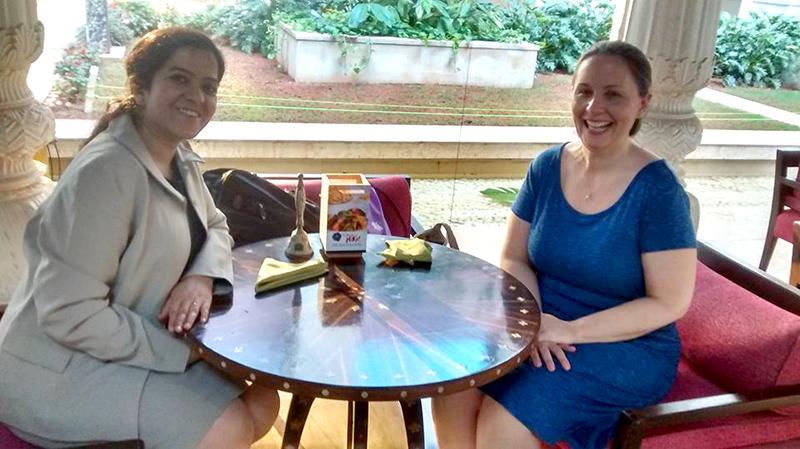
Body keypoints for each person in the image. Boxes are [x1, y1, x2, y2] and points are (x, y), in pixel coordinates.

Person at [0, 27, 278, 449]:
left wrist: (199, 278)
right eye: (179, 78)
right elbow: (70, 314)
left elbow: (217, 226)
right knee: (229, 429)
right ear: (140, 86)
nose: (196, 96)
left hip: (124, 344)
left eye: (208, 86)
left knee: (262, 399)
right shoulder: (106, 174)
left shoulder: (177, 157)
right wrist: (182, 352)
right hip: (57, 369)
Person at [431, 40, 697, 449]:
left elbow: (670, 303)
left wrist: (568, 329)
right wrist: (534, 321)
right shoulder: (547, 167)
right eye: (585, 91)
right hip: (539, 321)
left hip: (624, 344)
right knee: (453, 383)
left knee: (504, 426)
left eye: (614, 95)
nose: (594, 108)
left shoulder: (658, 192)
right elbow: (514, 256)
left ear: (642, 104)